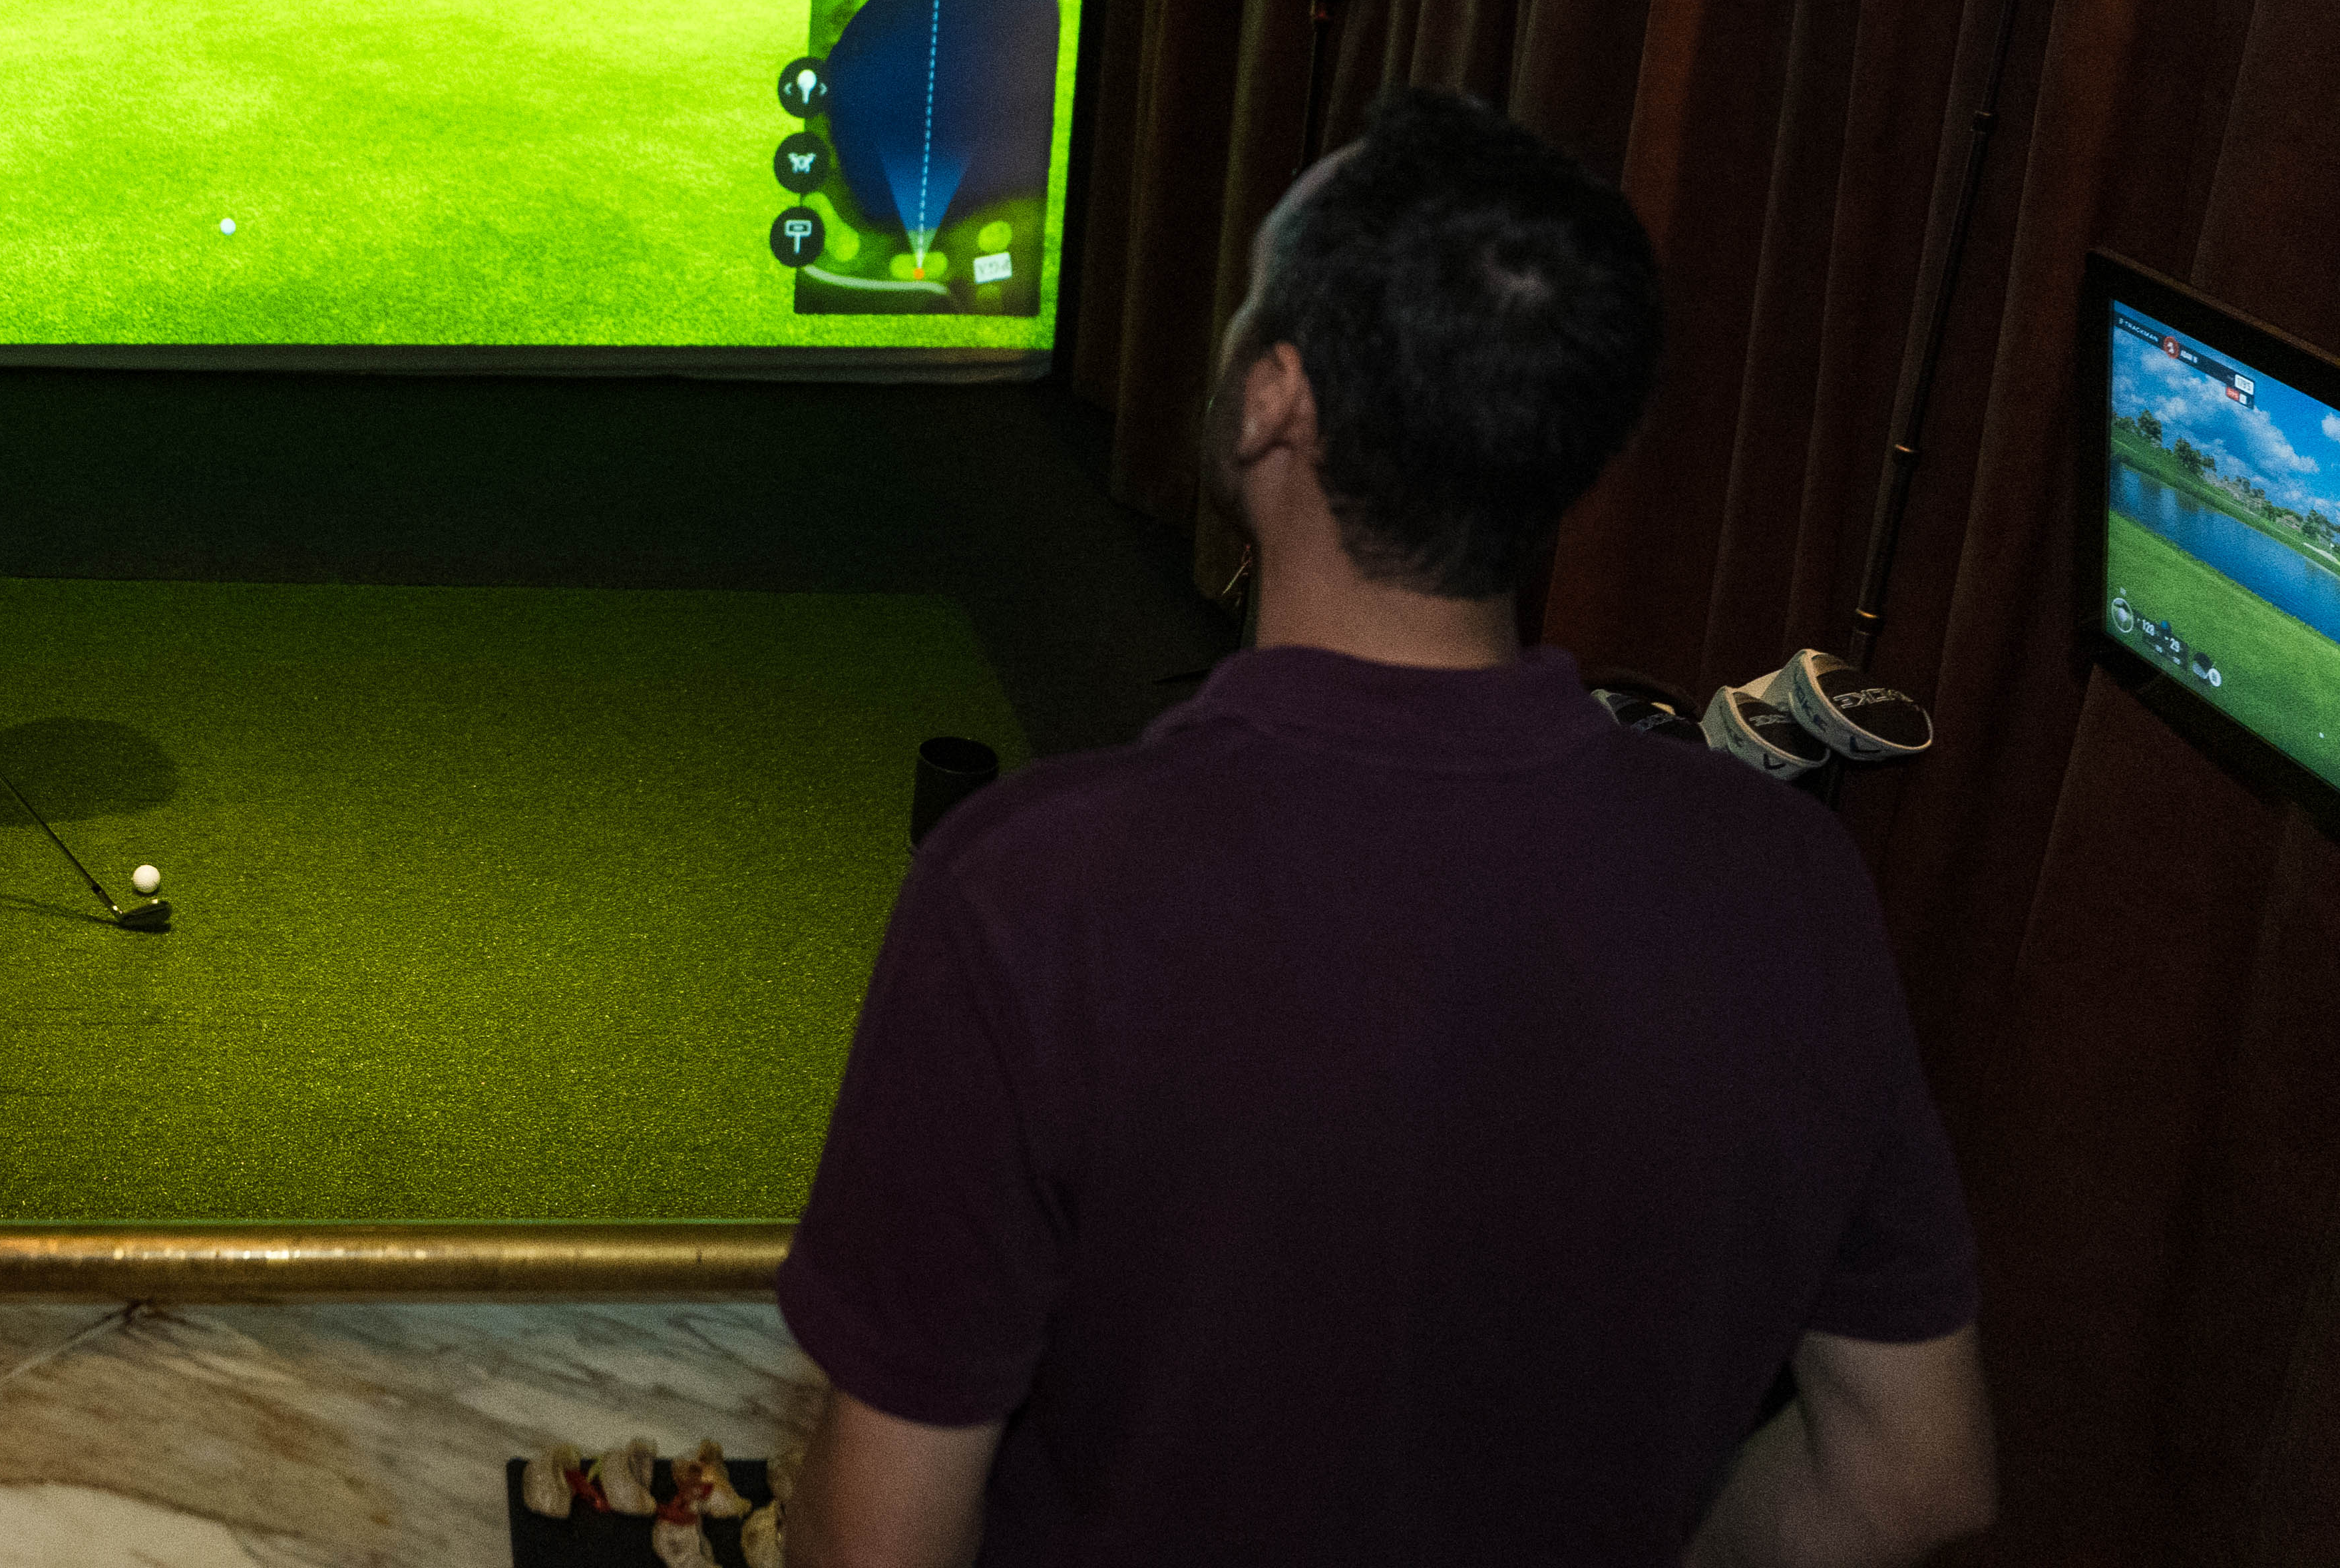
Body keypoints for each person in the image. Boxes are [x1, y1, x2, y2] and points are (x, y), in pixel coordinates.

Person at [779, 88, 1996, 1568]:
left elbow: (877, 1540)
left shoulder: (1032, 894)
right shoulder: (1791, 882)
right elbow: (1912, 1477)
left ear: (1277, 397)